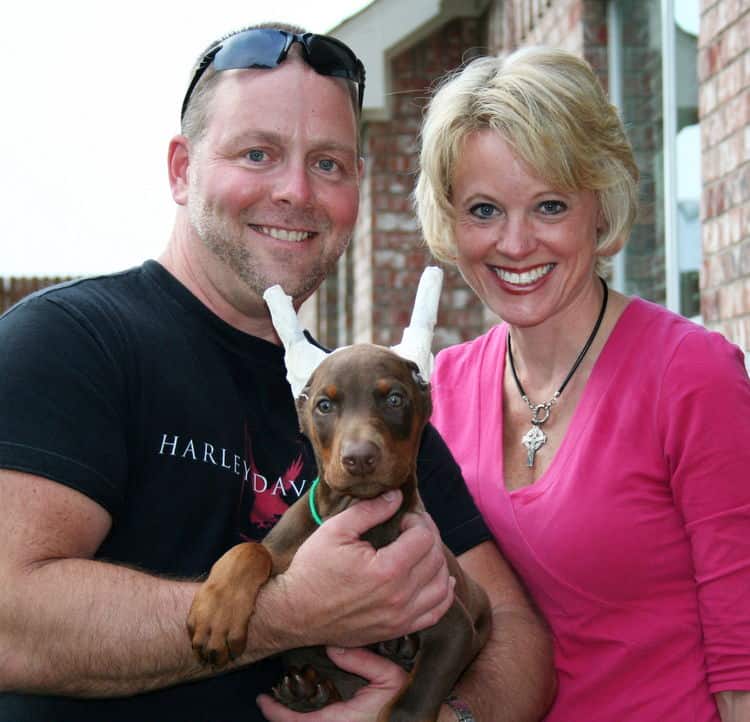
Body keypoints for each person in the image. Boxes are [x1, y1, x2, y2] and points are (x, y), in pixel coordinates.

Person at [0, 23, 556, 722]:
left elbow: (518, 636)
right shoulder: (70, 343)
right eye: (257, 153)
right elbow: (8, 620)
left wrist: (439, 717)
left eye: (328, 163)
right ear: (181, 169)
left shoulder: (365, 402)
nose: (296, 191)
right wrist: (289, 611)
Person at [414, 45, 750, 722]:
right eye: (483, 210)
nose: (514, 243)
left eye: (548, 205)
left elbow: (743, 657)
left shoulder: (691, 375)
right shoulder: (439, 392)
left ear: (602, 205)